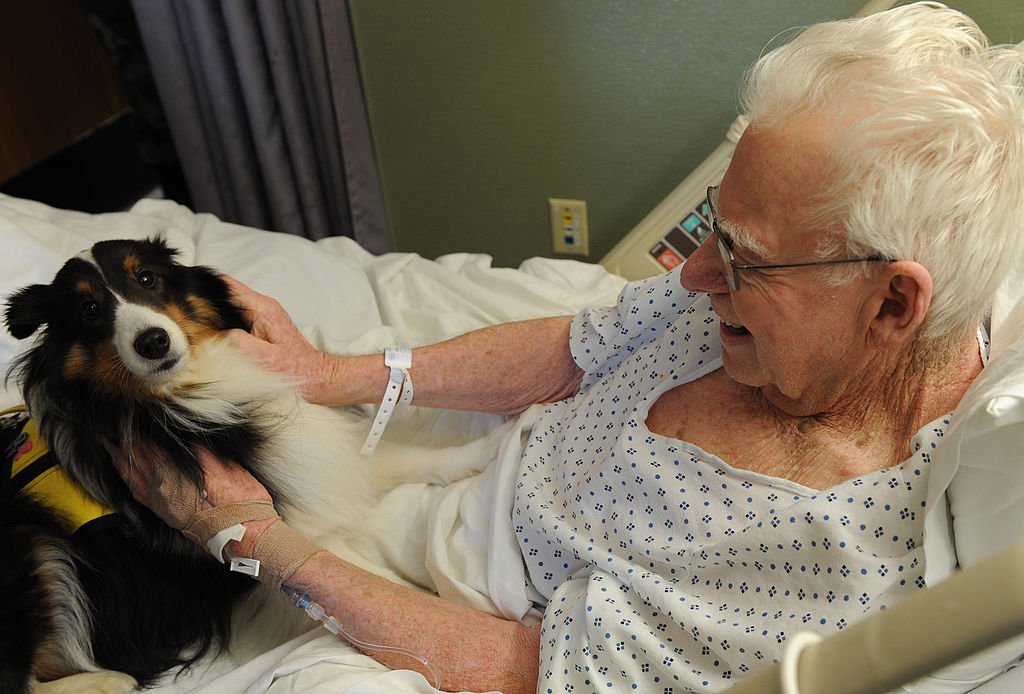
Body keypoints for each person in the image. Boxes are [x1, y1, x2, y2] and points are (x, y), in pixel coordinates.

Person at [112, 3, 1024, 692]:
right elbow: (575, 349)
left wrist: (251, 540)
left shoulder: (832, 573)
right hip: (494, 459)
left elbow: (530, 668)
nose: (695, 276)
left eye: (743, 259)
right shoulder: (761, 303)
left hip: (469, 600)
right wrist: (340, 374)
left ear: (894, 304)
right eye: (716, 228)